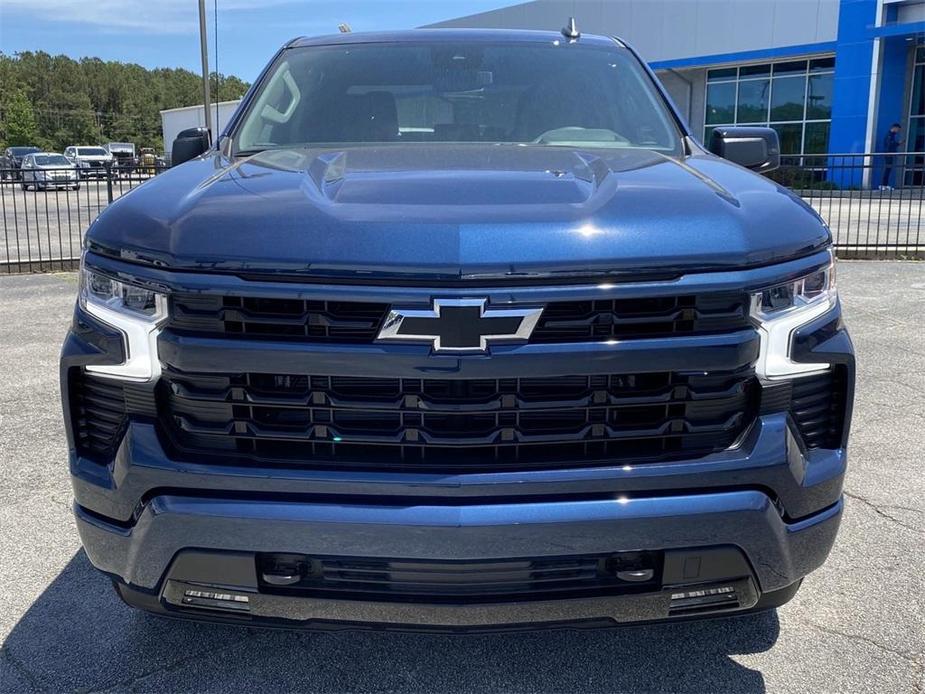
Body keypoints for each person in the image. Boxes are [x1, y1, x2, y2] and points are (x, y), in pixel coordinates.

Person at [880, 122, 903, 191]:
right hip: (888, 154)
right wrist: (897, 143)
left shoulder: (892, 135)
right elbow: (889, 144)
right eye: (898, 129)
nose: (898, 131)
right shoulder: (889, 135)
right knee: (887, 169)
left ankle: (885, 185)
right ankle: (883, 185)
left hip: (890, 154)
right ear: (894, 128)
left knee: (888, 169)